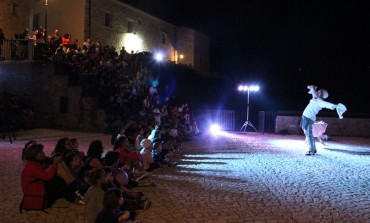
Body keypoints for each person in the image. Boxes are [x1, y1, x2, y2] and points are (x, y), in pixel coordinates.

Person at [300, 85, 346, 156]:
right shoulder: (315, 98)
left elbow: (328, 104)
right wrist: (312, 88)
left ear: (322, 96)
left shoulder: (320, 101)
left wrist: (335, 106)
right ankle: (312, 149)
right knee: (307, 134)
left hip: (308, 118)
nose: (318, 92)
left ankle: (312, 150)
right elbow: (313, 93)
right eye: (318, 91)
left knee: (309, 135)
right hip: (306, 117)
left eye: (320, 92)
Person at [20, 144, 62, 211]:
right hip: (35, 193)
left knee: (57, 173)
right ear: (34, 155)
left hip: (34, 187)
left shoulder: (32, 163)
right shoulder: (32, 167)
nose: (43, 153)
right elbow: (48, 177)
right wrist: (54, 164)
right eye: (41, 152)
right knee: (56, 178)